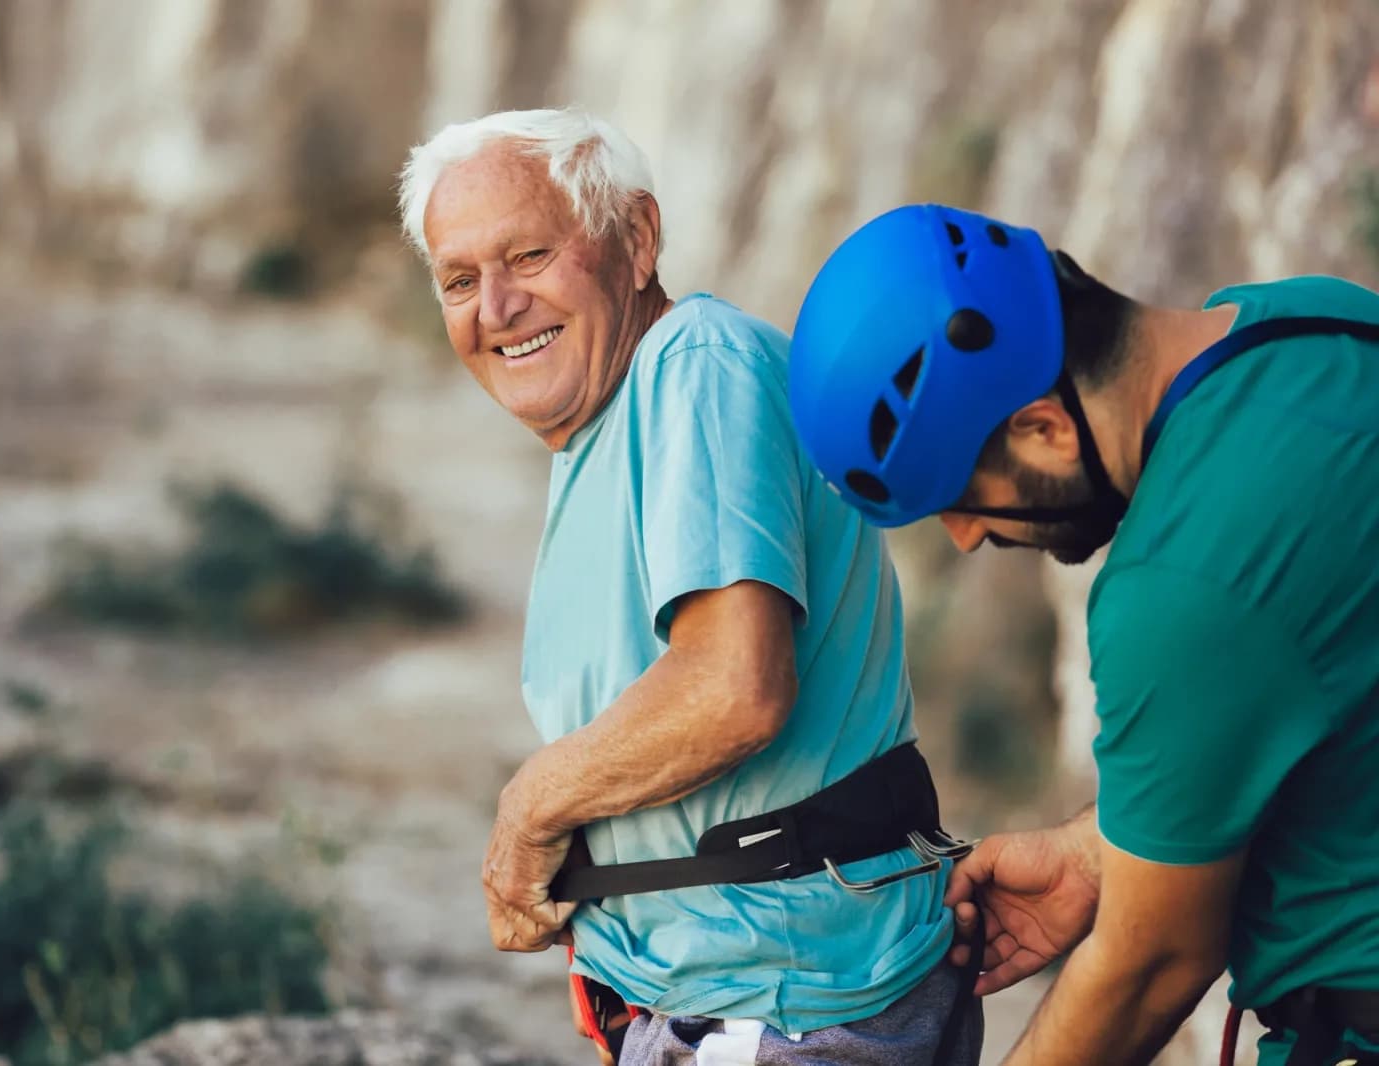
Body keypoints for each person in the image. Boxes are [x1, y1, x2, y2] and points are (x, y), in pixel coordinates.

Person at [396, 111, 983, 1066]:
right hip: (721, 995)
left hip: (787, 1002)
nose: (495, 306)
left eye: (529, 256)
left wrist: (529, 812)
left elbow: (732, 688)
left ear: (637, 241)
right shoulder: (608, 421)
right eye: (460, 280)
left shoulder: (695, 364)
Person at [786, 202, 1379, 1066]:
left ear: (1044, 428)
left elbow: (1149, 968)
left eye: (960, 496)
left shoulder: (1174, 585)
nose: (966, 536)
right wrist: (1105, 850)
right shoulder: (1310, 322)